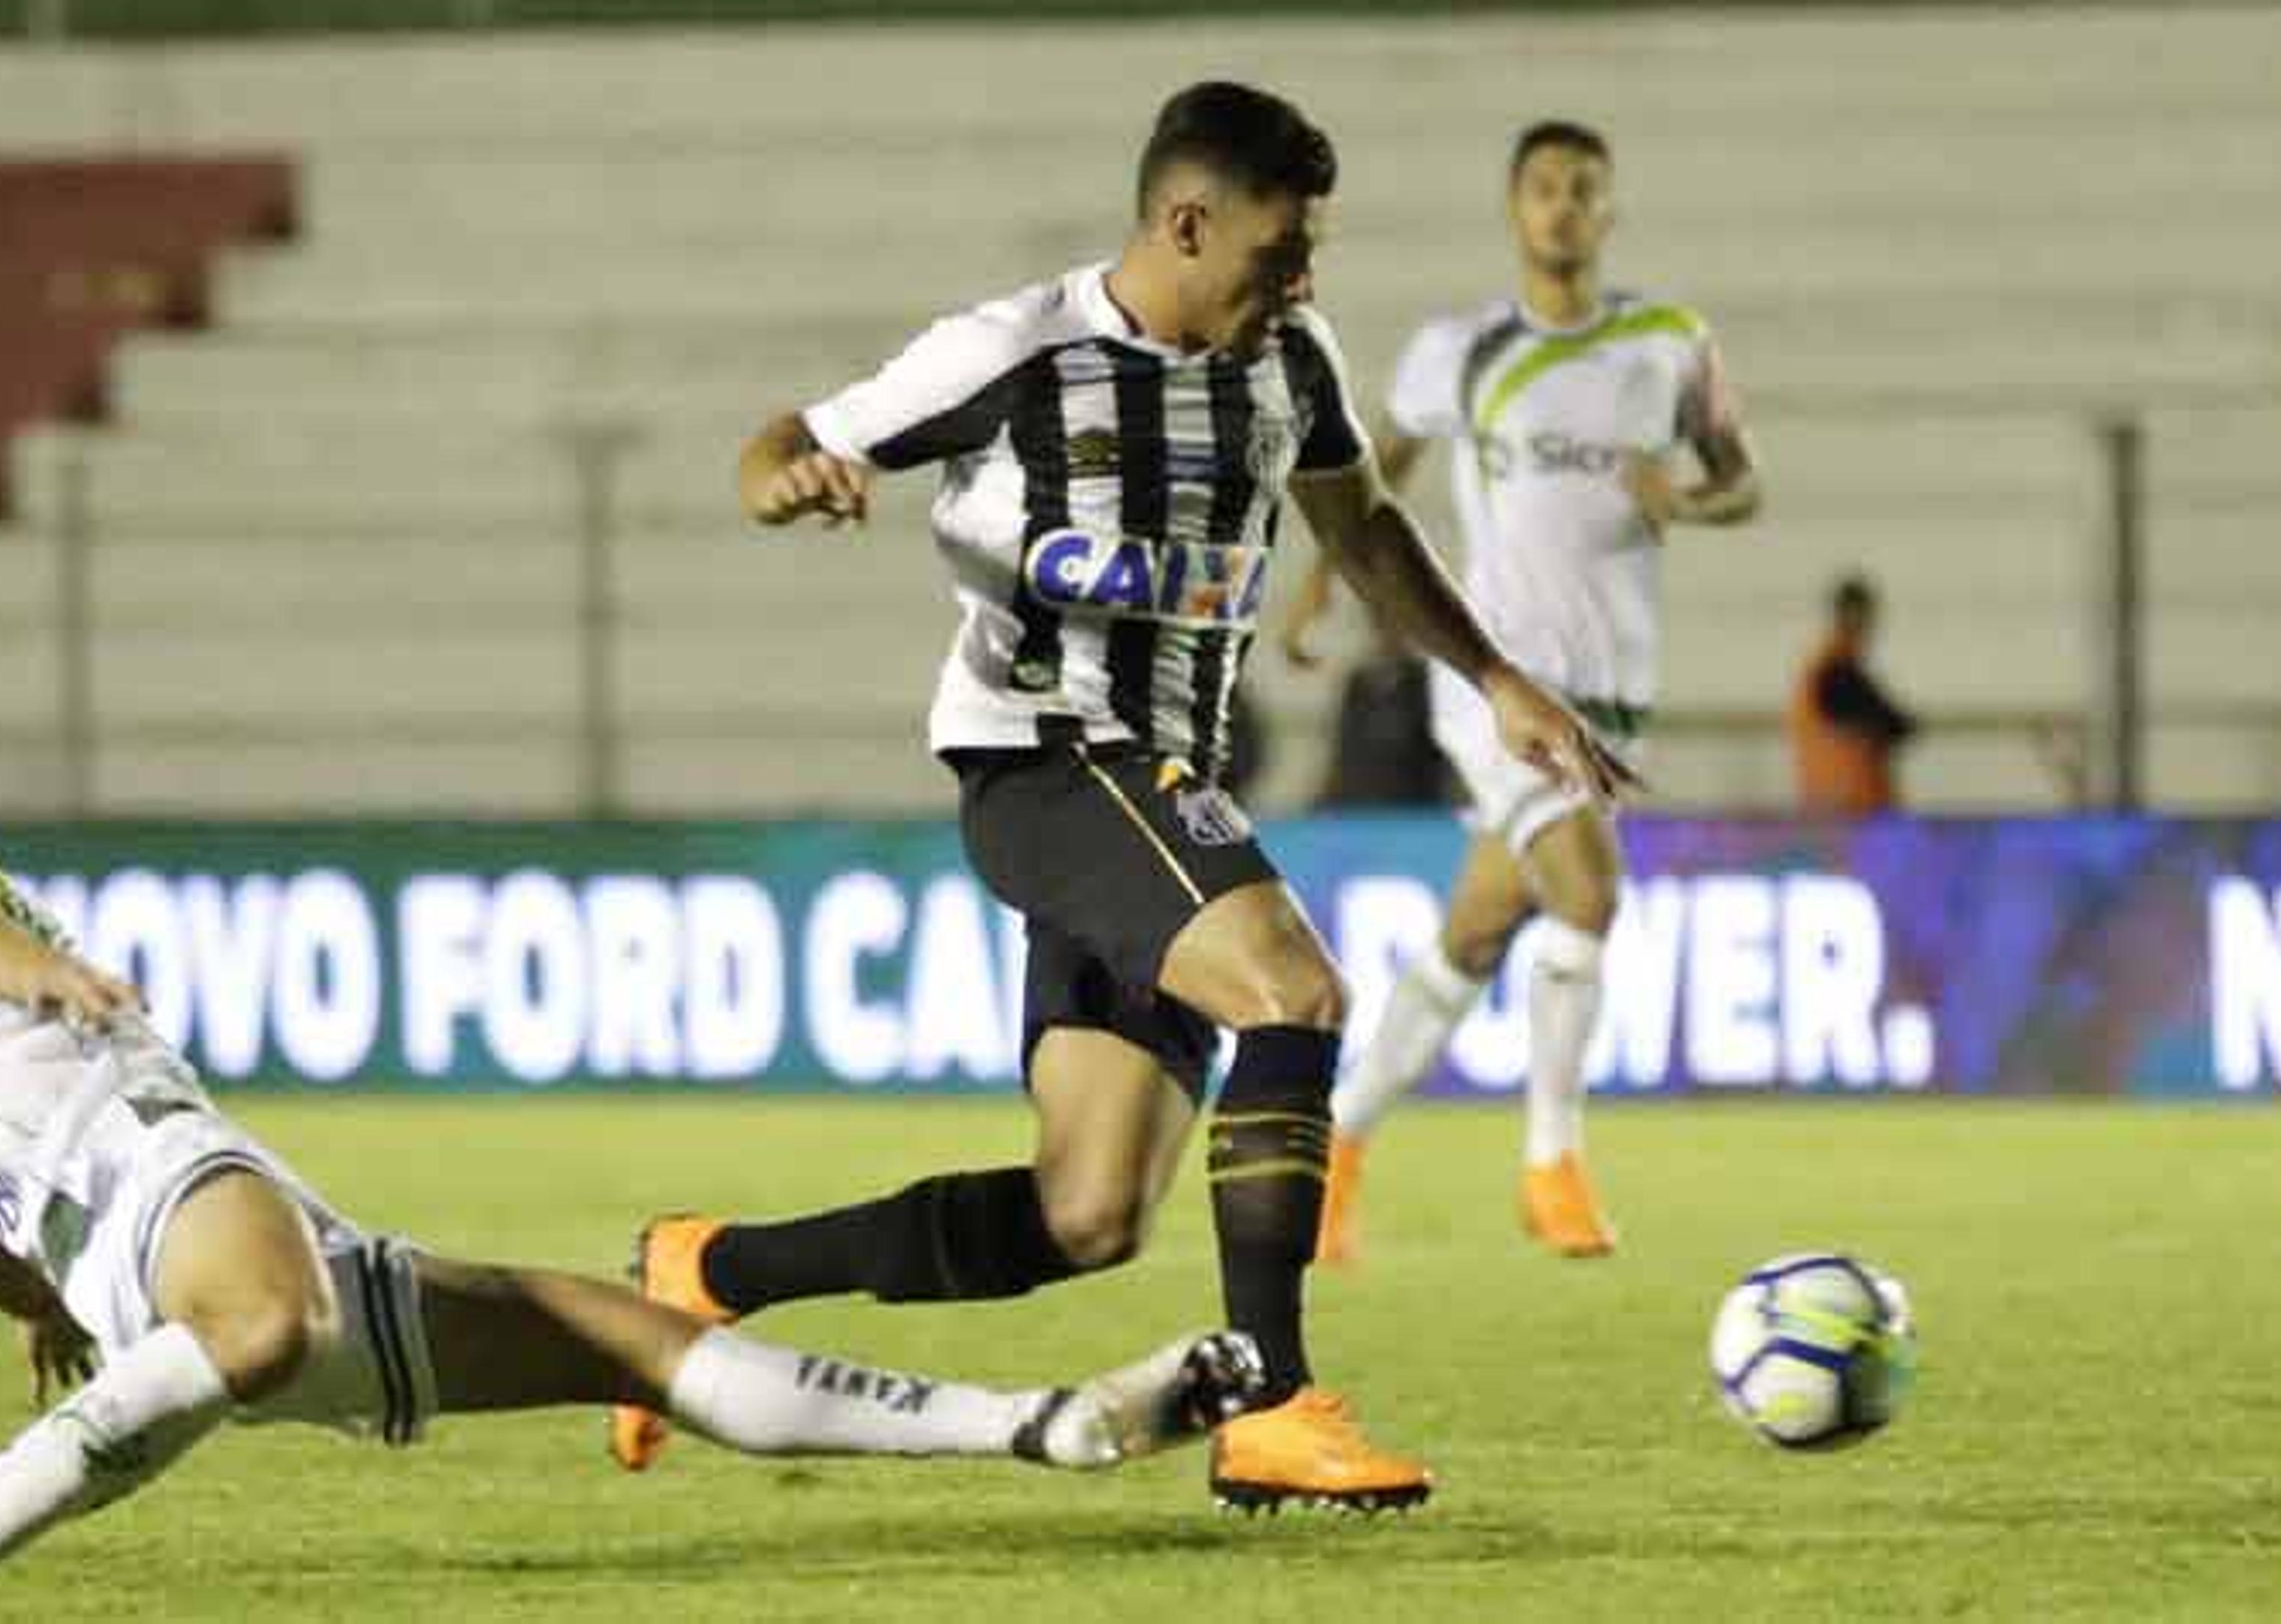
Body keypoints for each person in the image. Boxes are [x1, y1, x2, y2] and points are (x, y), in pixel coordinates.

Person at [0, 573, 1267, 1589]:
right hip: (152, 1175)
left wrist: (36, 1299)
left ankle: (1044, 1423)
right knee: (259, 1327)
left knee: (636, 1346)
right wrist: (37, 969)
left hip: (127, 1250)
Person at [607, 83, 1632, 1516]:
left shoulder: (1295, 356)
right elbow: (781, 434)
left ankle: (704, 1272)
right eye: (1280, 253)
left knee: (1084, 1215)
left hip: (1162, 790)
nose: (1302, 281)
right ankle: (1270, 1404)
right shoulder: (1015, 349)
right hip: (1046, 762)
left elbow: (1366, 525)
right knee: (1297, 990)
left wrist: (1498, 676)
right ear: (1187, 221)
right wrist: (786, 478)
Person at [1314, 120, 1763, 1267]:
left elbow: (1739, 478)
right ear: (1515, 210)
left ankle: (1332, 1156)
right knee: (1588, 888)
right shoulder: (1460, 351)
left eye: (1583, 190)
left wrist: (1691, 501)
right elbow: (1376, 475)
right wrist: (1324, 577)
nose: (1562, 207)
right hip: (1493, 676)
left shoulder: (1670, 343)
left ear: (1609, 211)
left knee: (1474, 930)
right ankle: (1551, 1162)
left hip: (1615, 690)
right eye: (1544, 189)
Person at [1279, 582, 1452, 809]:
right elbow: (1344, 754)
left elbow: (1439, 759)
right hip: (1355, 810)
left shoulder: (1425, 682)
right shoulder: (1358, 683)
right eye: (1379, 619)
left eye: (1394, 621)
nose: (1385, 628)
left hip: (1411, 811)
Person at [1790, 573, 1917, 813]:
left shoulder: (1827, 667)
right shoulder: (1836, 669)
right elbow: (1893, 723)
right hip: (1850, 808)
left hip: (1834, 806)